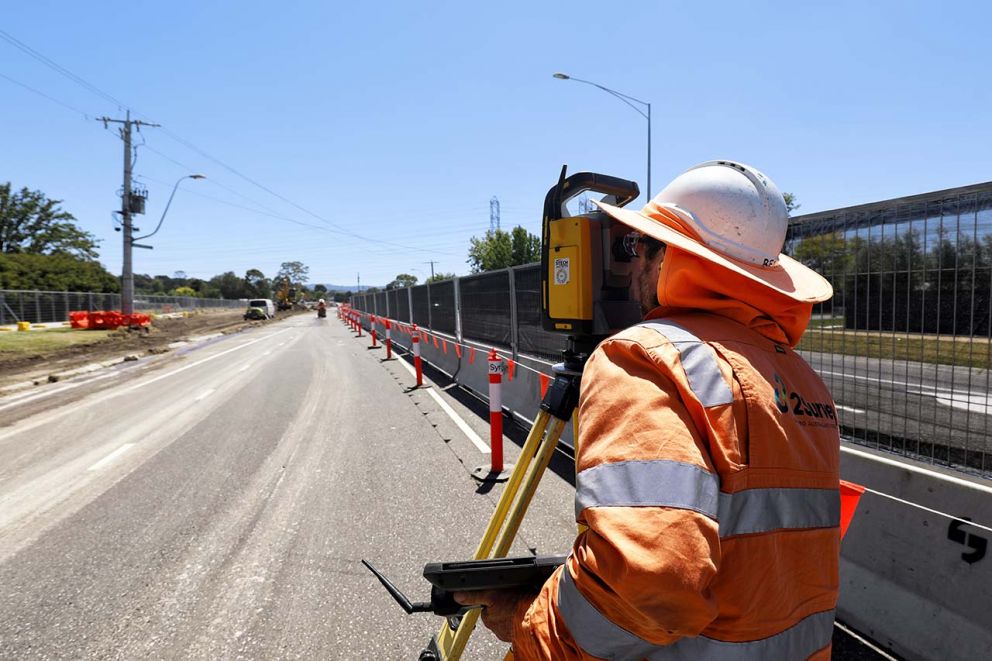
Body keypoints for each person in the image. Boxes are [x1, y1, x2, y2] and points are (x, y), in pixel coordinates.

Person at [455, 161, 841, 660]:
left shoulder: (645, 359)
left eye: (641, 246)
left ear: (672, 259)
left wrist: (530, 628)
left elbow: (649, 584)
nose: (631, 264)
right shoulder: (802, 379)